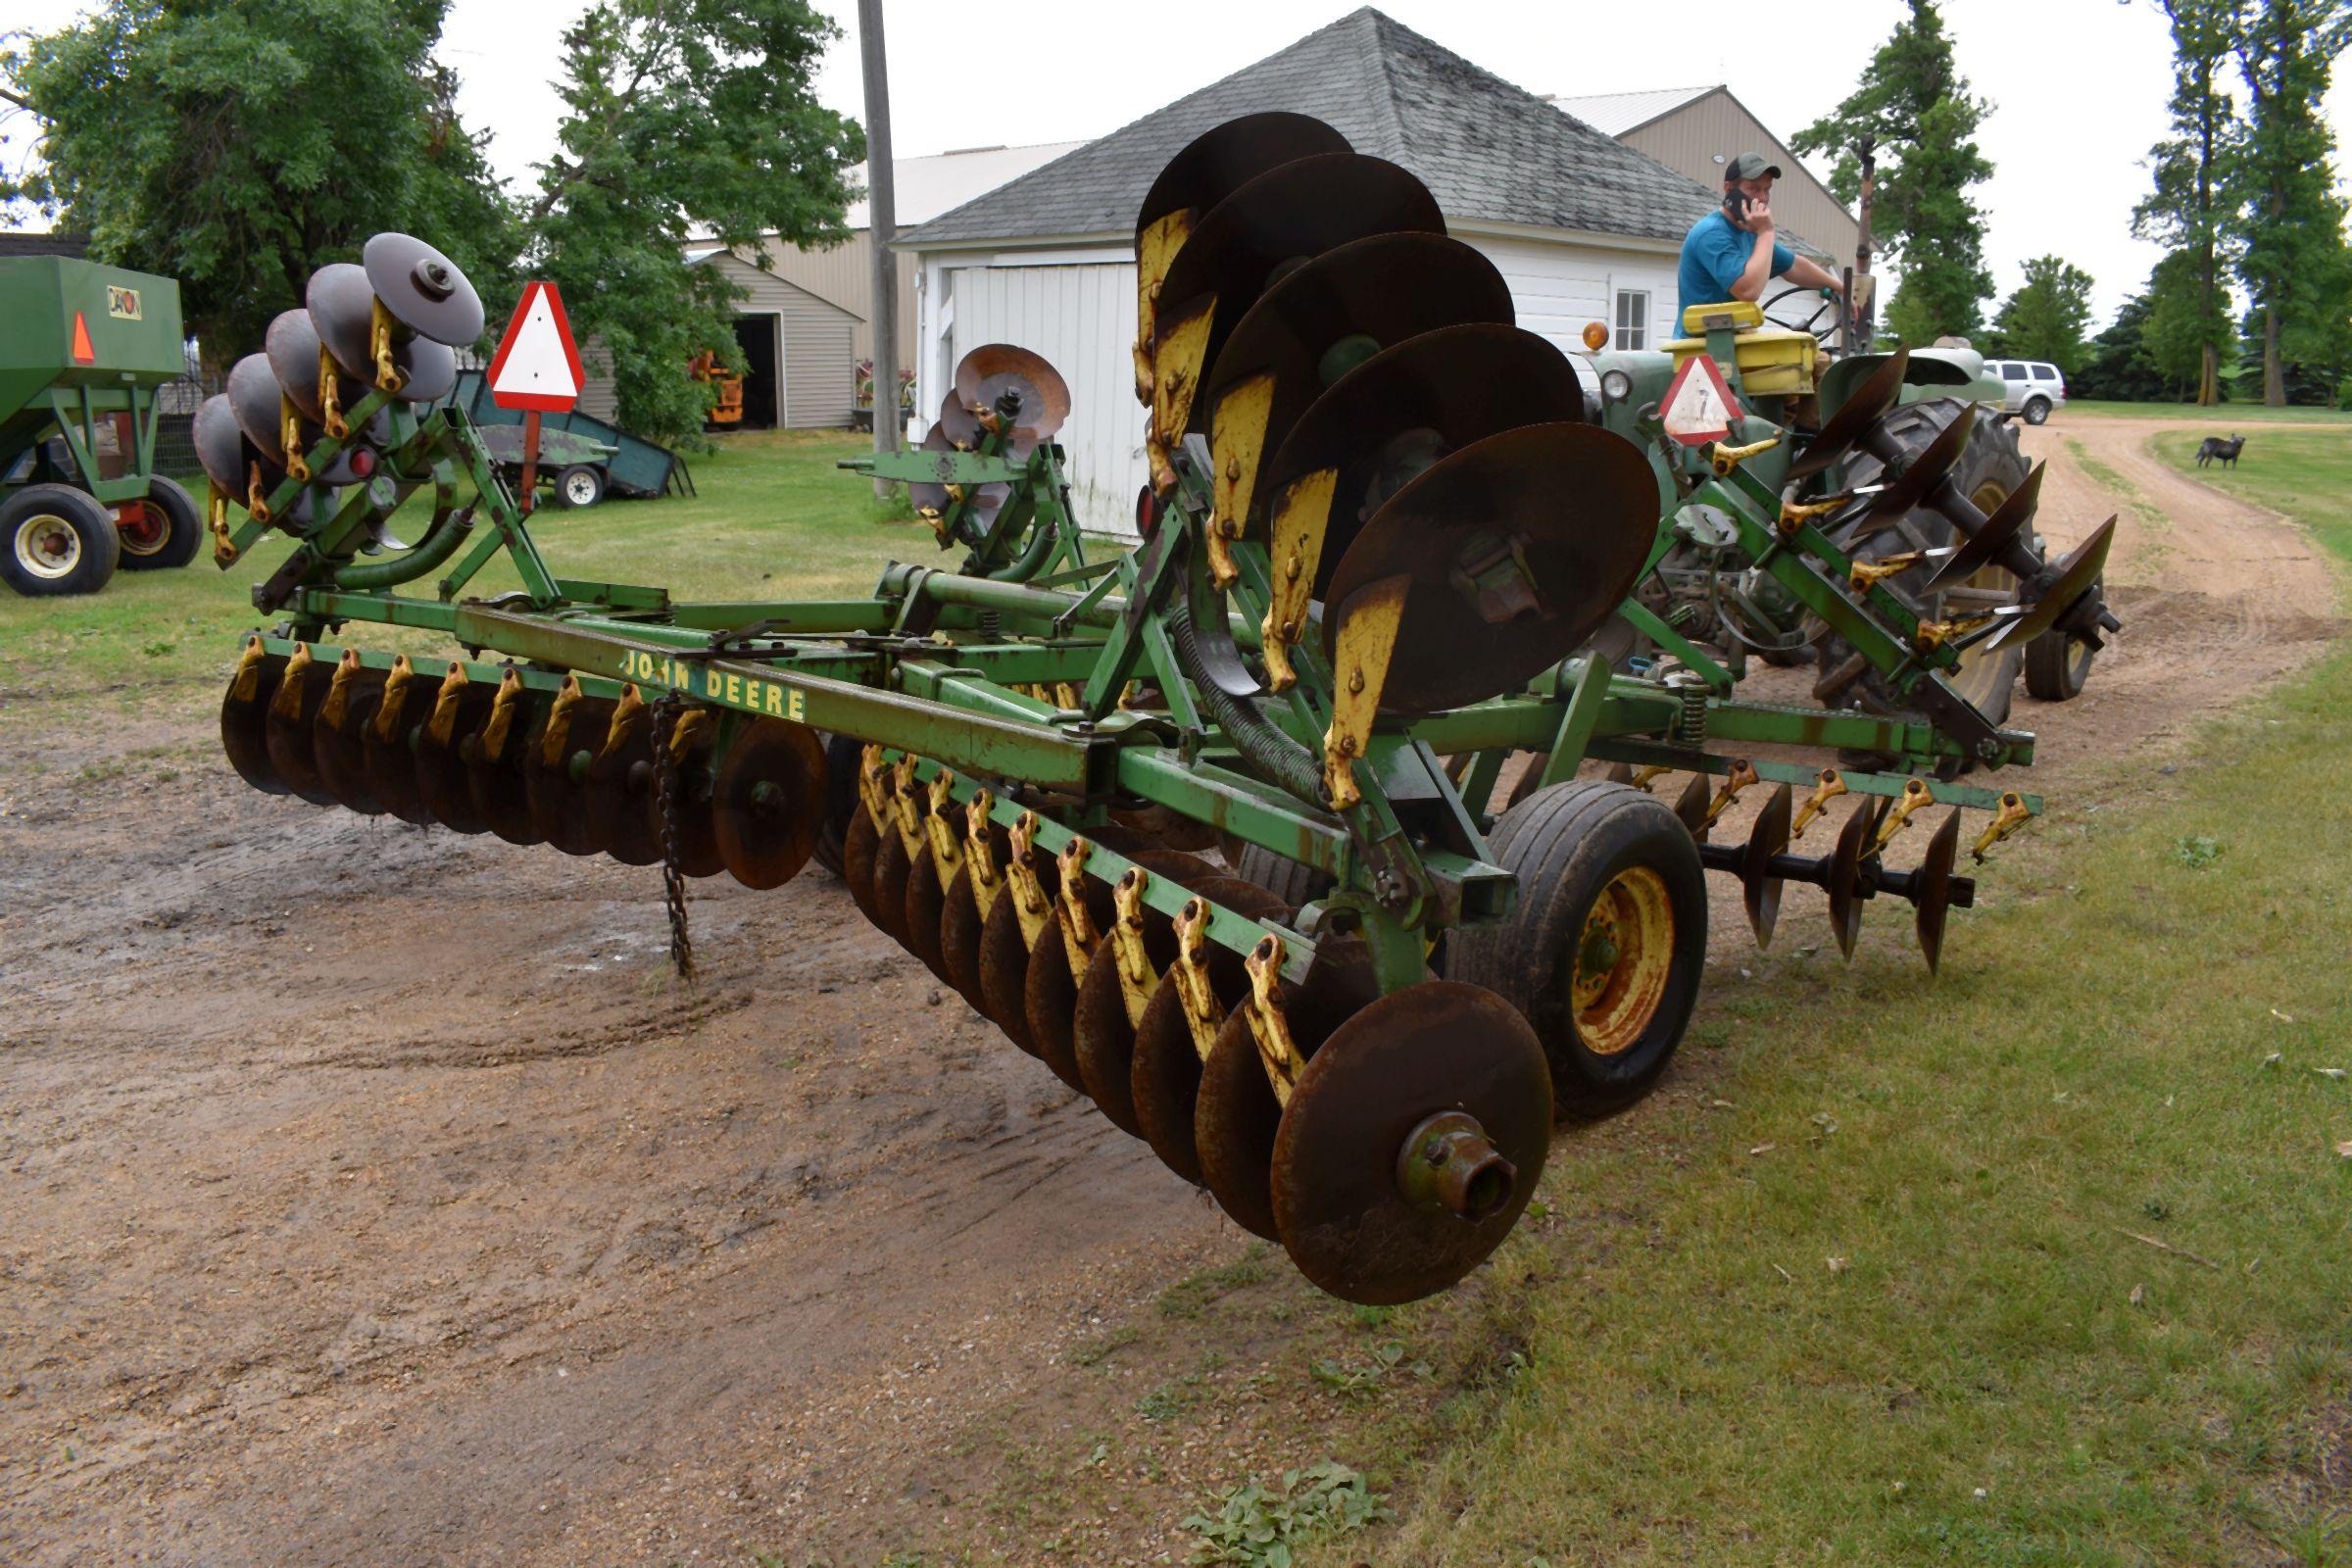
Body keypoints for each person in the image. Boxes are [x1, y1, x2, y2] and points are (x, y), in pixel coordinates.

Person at [1671, 152, 1845, 341]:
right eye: (1753, 189)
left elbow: (1794, 266)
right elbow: (1748, 291)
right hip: (1699, 351)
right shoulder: (1711, 234)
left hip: (1731, 343)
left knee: (1814, 358)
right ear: (1729, 189)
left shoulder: (1750, 233)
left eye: (1767, 189)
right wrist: (1766, 233)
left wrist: (1840, 287)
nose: (1762, 198)